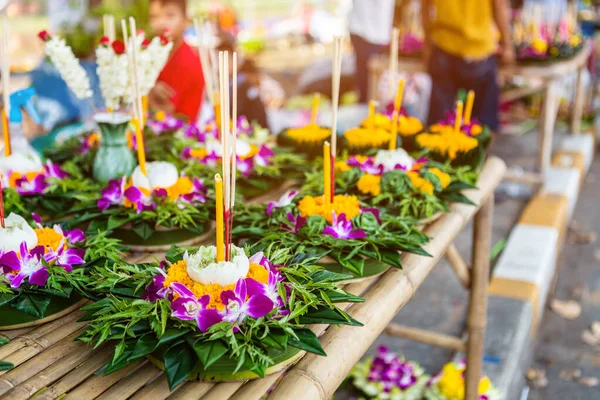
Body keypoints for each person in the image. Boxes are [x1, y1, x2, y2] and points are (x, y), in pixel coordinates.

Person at [421, 0, 515, 131]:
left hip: (443, 45)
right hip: (478, 50)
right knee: (482, 127)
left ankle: (438, 150)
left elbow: (425, 5)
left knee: (439, 123)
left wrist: (427, 42)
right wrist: (507, 45)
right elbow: (499, 5)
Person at [148, 0, 204, 121]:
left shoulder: (191, 61)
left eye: (170, 15)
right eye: (154, 16)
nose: (161, 23)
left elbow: (179, 118)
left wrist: (148, 97)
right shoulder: (148, 54)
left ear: (186, 21)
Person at [348, 0, 396, 103]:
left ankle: (368, 108)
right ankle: (365, 109)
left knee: (375, 84)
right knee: (367, 84)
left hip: (376, 34)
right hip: (365, 33)